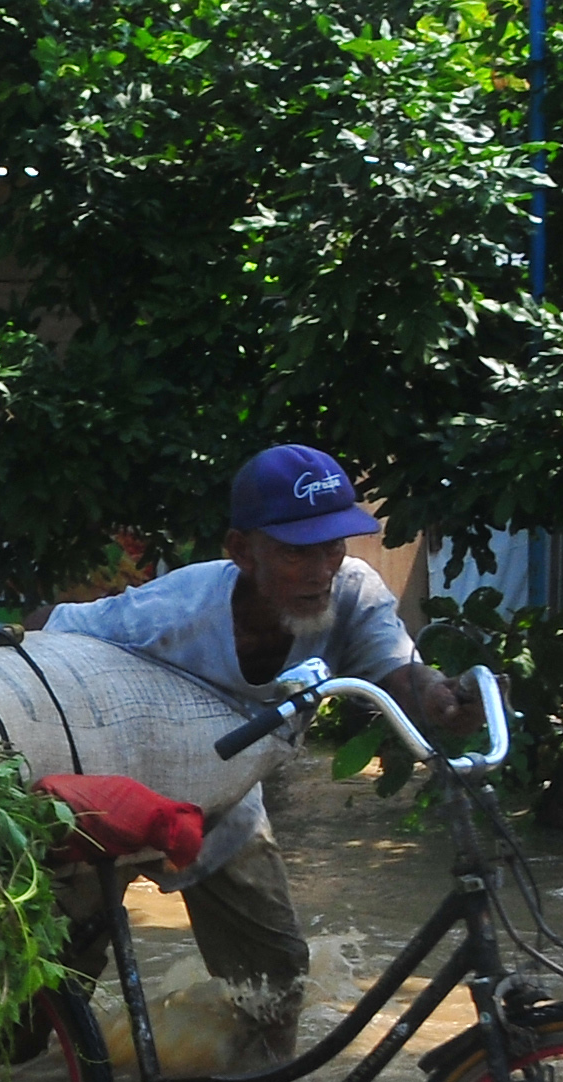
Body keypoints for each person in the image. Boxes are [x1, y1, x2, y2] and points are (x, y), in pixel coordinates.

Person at [36, 444, 478, 1048]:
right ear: (242, 551)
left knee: (275, 992)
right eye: (297, 552)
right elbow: (56, 641)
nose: (321, 569)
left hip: (225, 807)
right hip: (117, 803)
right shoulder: (173, 612)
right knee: (44, 1000)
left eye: (333, 546)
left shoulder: (351, 593)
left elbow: (402, 672)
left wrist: (443, 698)